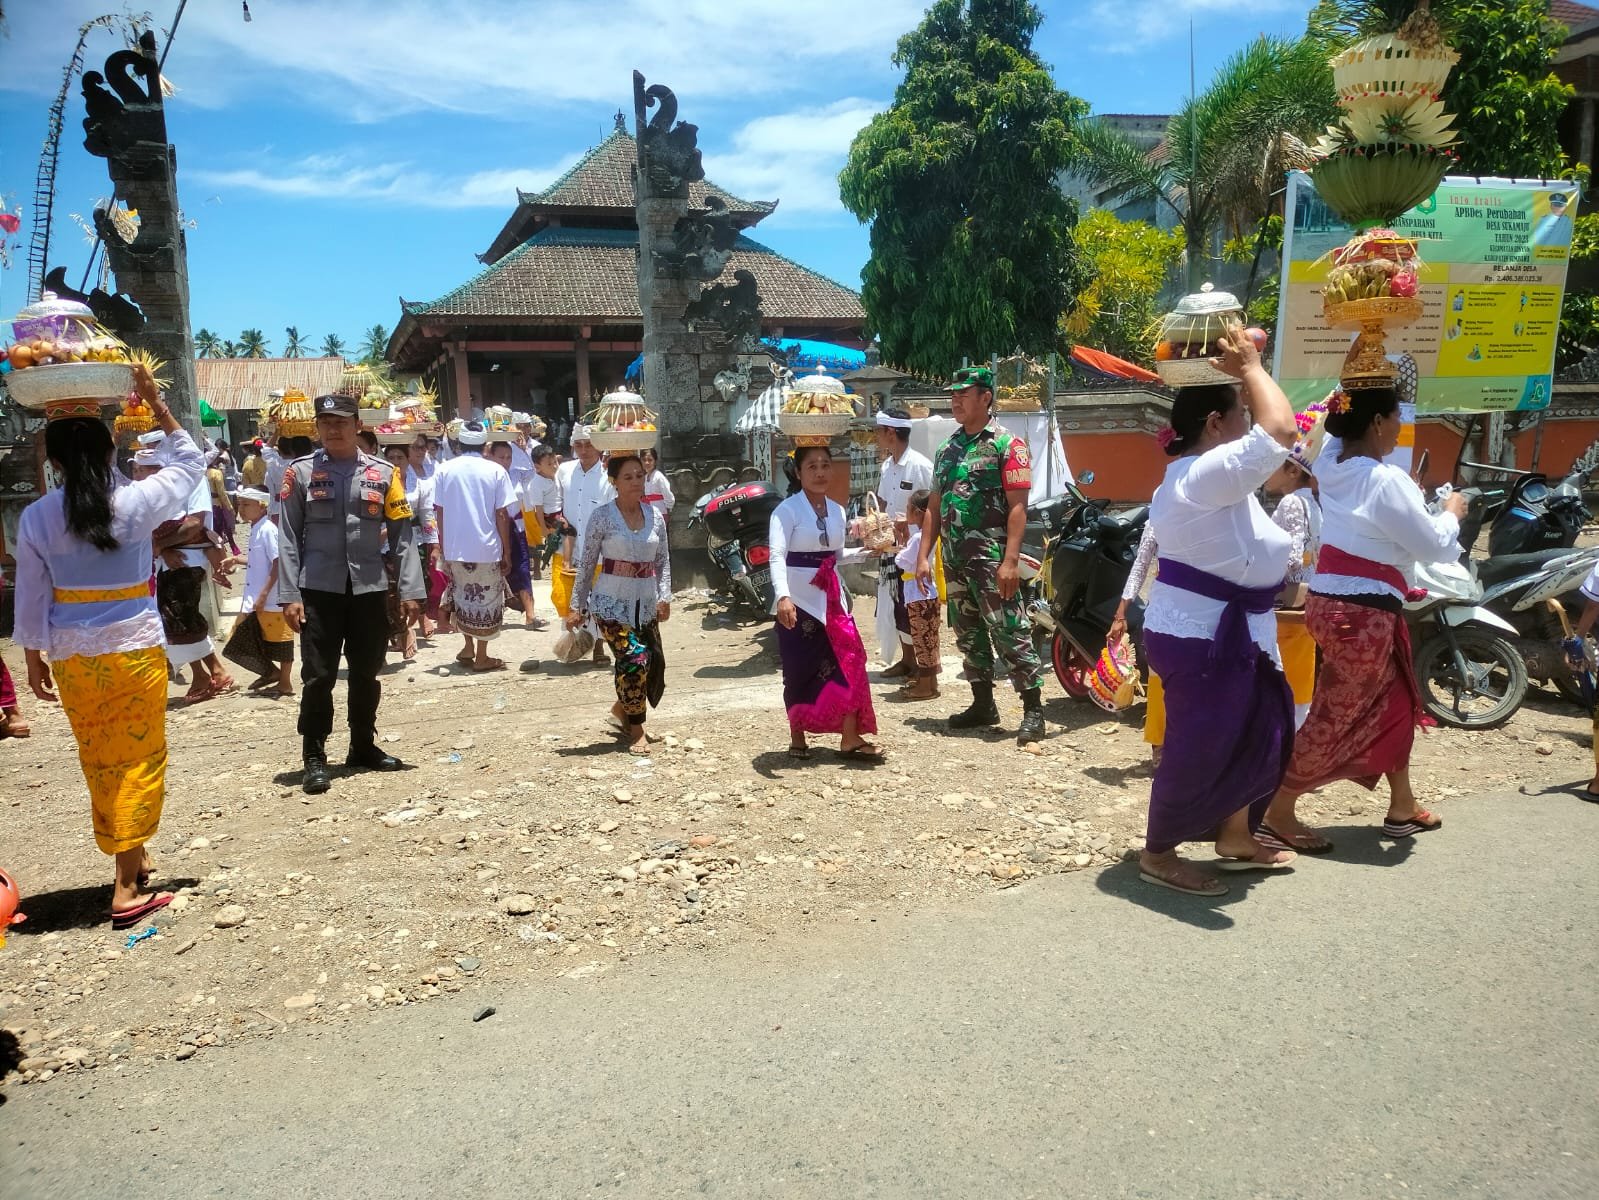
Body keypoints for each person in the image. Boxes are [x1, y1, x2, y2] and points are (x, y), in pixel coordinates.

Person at [13, 366, 202, 927]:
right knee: (139, 758)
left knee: (100, 757)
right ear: (108, 448)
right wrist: (157, 405)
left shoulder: (38, 515)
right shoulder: (139, 501)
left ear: (55, 461)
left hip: (73, 654)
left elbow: (31, 595)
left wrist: (31, 657)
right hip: (134, 648)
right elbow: (192, 463)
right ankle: (124, 887)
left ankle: (134, 857)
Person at [1263, 381, 1466, 852]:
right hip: (1363, 615)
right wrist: (1453, 512)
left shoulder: (1332, 463)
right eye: (1397, 416)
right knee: (1335, 714)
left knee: (1397, 703)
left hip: (1334, 603)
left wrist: (1362, 363)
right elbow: (1434, 545)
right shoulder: (1382, 480)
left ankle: (1401, 805)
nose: (1400, 426)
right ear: (1377, 422)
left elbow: (1331, 426)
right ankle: (1278, 807)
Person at [1134, 327, 1301, 897]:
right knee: (1198, 746)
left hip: (1238, 633)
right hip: (1203, 636)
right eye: (1239, 415)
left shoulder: (1213, 479)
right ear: (1214, 424)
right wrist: (1251, 366)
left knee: (1260, 731)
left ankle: (1235, 836)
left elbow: (1283, 436)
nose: (1249, 427)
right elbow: (1281, 430)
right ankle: (1158, 851)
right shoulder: (1202, 475)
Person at [278, 392, 422, 795]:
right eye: (326, 422)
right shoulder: (301, 473)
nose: (333, 428)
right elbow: (288, 537)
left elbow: (402, 535)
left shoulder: (383, 474)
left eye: (341, 421)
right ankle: (314, 756)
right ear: (317, 427)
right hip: (318, 590)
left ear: (358, 425)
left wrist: (410, 589)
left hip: (368, 588)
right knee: (318, 675)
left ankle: (362, 745)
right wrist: (289, 593)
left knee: (365, 671)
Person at [915, 366, 1046, 745]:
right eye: (953, 394)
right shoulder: (947, 449)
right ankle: (982, 703)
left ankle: (1033, 709)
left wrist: (1010, 560)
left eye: (964, 393)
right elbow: (933, 508)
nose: (955, 400)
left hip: (991, 556)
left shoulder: (1009, 446)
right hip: (955, 558)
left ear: (986, 398)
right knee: (967, 630)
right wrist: (925, 556)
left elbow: (1018, 508)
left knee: (1010, 629)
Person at [770, 444, 882, 761]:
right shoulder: (786, 511)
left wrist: (868, 552)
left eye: (825, 465)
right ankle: (797, 736)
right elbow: (777, 557)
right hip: (797, 600)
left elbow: (834, 557)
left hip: (831, 599)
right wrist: (783, 597)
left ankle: (849, 736)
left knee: (851, 659)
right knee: (798, 669)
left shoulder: (837, 510)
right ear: (798, 472)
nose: (820, 472)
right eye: (812, 466)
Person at [568, 454, 672, 753]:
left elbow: (663, 562)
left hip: (646, 601)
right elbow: (586, 564)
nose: (636, 481)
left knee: (652, 663)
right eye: (628, 477)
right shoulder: (602, 517)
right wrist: (577, 606)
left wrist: (665, 596)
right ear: (614, 482)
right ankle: (636, 728)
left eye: (639, 475)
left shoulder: (655, 517)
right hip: (610, 603)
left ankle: (622, 708)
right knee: (633, 660)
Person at [432, 420, 515, 670]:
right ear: (484, 445)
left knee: (463, 597)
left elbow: (440, 512)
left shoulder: (444, 469)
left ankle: (468, 647)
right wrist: (507, 551)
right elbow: (502, 514)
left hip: (456, 547)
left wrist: (444, 547)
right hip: (486, 546)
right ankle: (481, 655)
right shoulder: (496, 471)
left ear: (459, 443)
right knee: (487, 600)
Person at [872, 408, 934, 675]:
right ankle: (907, 659)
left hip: (915, 548)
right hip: (892, 546)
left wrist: (907, 524)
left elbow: (932, 509)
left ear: (891, 432)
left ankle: (924, 663)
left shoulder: (921, 466)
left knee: (915, 604)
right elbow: (882, 502)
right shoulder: (887, 467)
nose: (876, 436)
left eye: (879, 431)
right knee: (896, 602)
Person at [554, 425, 615, 664]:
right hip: (571, 547)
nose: (583, 450)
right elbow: (556, 503)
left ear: (598, 445)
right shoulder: (565, 471)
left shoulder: (608, 473)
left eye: (588, 444)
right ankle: (575, 644)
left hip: (601, 549)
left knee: (599, 599)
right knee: (572, 598)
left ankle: (599, 646)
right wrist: (558, 519)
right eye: (578, 445)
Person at [233, 486, 294, 695]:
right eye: (240, 504)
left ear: (262, 506)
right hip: (257, 598)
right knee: (240, 638)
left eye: (246, 504)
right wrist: (238, 559)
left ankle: (284, 681)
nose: (241, 509)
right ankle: (271, 672)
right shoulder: (256, 528)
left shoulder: (268, 529)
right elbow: (262, 561)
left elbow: (278, 563)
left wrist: (264, 594)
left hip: (269, 598)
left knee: (282, 642)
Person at [487, 440, 541, 629]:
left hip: (516, 526)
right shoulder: (486, 476)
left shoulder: (517, 473)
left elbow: (534, 471)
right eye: (501, 457)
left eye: (509, 457)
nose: (505, 461)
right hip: (493, 527)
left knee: (523, 567)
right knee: (493, 570)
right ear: (490, 456)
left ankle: (530, 613)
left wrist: (522, 447)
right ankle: (491, 613)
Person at [896, 489, 942, 700]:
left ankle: (924, 687)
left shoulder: (917, 538)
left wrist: (899, 544)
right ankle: (930, 682)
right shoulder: (929, 536)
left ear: (916, 512)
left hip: (918, 596)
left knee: (921, 641)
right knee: (930, 640)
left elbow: (901, 561)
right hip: (930, 596)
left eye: (907, 508)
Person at [403, 434, 441, 641]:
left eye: (423, 447)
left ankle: (422, 615)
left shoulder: (429, 470)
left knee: (421, 578)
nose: (420, 450)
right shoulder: (391, 471)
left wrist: (433, 542)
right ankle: (403, 627)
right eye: (415, 447)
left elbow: (427, 512)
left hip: (415, 535)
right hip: (385, 536)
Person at [640, 447, 676, 523]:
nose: (647, 463)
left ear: (655, 462)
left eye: (650, 460)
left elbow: (669, 497)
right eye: (644, 460)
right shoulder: (645, 478)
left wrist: (666, 512)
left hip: (660, 514)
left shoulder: (659, 477)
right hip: (649, 514)